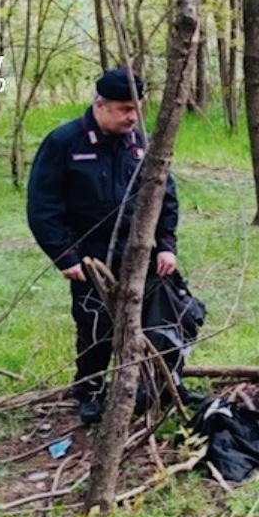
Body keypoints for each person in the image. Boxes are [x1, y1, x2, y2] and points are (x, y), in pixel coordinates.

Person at [27, 68, 179, 425]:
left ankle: (150, 388)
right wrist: (65, 256)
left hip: (141, 252)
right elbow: (42, 205)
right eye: (124, 109)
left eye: (136, 109)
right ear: (100, 105)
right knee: (95, 327)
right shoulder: (64, 143)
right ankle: (90, 393)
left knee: (156, 321)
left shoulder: (141, 143)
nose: (132, 117)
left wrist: (167, 244)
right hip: (90, 257)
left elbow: (165, 194)